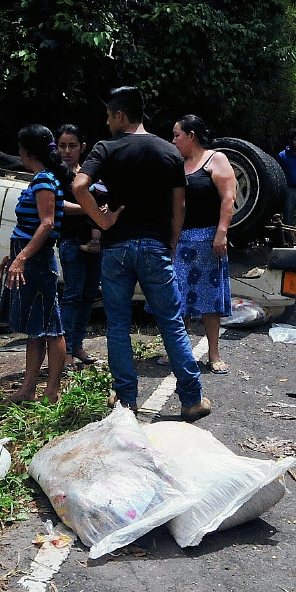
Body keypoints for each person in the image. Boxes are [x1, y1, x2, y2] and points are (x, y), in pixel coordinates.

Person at [74, 86, 211, 421]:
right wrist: (173, 244)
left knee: (118, 325)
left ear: (121, 115)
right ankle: (192, 399)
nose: (107, 123)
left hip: (117, 248)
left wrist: (103, 218)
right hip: (154, 246)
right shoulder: (168, 152)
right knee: (171, 324)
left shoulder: (106, 148)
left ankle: (125, 400)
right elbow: (179, 207)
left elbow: (80, 186)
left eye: (109, 116)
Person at [1, 125, 69, 403]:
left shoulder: (42, 181)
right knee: (35, 328)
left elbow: (47, 223)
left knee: (51, 328)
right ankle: (28, 389)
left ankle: (51, 392)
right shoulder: (46, 180)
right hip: (30, 256)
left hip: (37, 261)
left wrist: (21, 257)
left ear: (26, 151)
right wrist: (14, 254)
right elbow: (54, 212)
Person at [171, 115, 236, 374]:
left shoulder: (215, 159)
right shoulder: (177, 163)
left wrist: (221, 233)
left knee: (210, 301)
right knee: (178, 298)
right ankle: (178, 351)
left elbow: (228, 197)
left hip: (207, 240)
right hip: (180, 240)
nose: (173, 140)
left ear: (192, 135)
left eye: (177, 135)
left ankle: (214, 353)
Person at [56, 124, 103, 369]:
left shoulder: (89, 173)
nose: (67, 150)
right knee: (72, 296)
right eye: (62, 145)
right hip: (71, 241)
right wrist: (90, 209)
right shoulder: (56, 174)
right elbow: (59, 205)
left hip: (96, 242)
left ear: (82, 147)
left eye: (72, 145)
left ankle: (77, 345)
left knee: (87, 296)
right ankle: (63, 352)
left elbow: (104, 197)